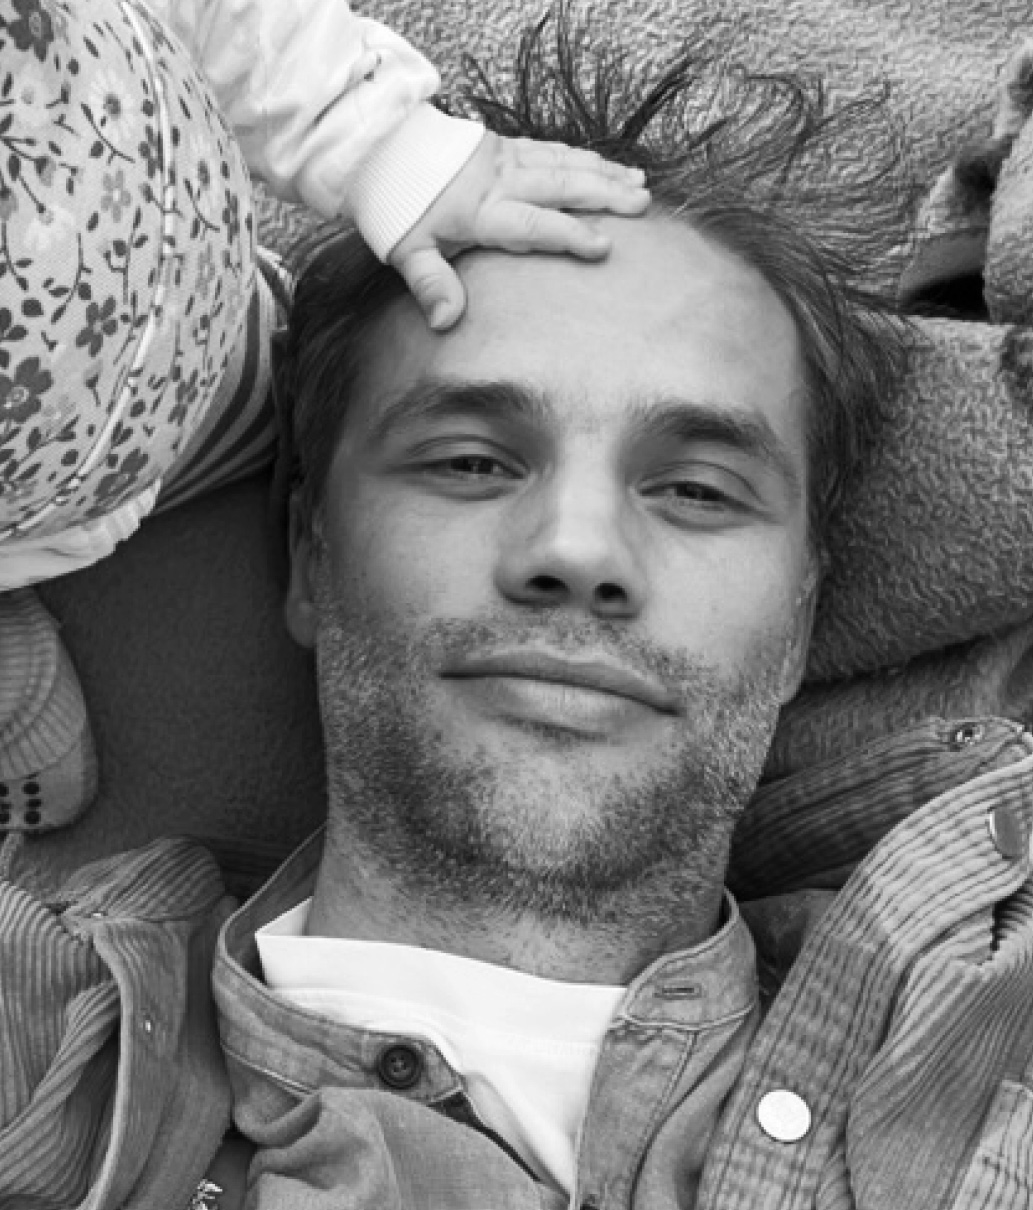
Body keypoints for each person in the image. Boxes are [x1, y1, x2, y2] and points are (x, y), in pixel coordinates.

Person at [5, 11, 1033, 1210]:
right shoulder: (42, 1060)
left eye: (698, 490)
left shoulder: (984, 1002)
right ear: (309, 553)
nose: (577, 552)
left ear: (803, 614)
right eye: (471, 462)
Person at [0, 0, 646, 843]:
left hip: (190, 311)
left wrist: (383, 143)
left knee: (289, 391)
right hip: (20, 517)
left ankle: (271, 386)